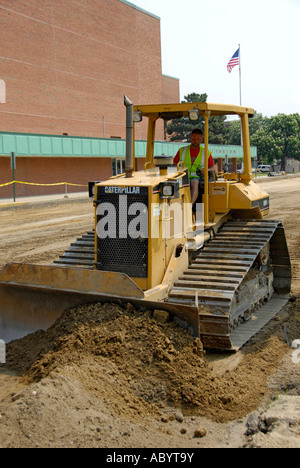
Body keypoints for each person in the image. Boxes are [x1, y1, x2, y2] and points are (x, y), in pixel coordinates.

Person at [173, 128, 216, 205]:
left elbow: (214, 168)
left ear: (201, 139)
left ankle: (190, 206)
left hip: (196, 178)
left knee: (195, 183)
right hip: (182, 177)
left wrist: (207, 170)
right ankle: (176, 205)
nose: (195, 140)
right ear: (191, 138)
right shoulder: (182, 150)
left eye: (198, 139)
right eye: (194, 138)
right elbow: (174, 164)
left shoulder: (206, 152)